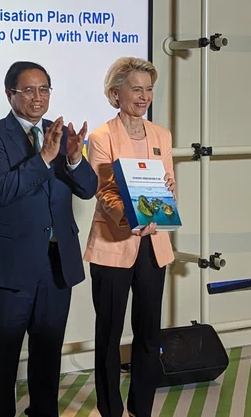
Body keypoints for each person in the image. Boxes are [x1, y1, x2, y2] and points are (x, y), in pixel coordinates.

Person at [0, 61, 98, 417]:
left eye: (44, 89)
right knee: (3, 355)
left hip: (56, 263)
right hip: (10, 264)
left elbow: (88, 190)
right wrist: (44, 157)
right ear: (10, 94)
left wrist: (73, 158)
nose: (38, 97)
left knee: (48, 352)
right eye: (28, 90)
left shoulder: (59, 133)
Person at [83, 57, 177, 417]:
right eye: (136, 88)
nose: (144, 96)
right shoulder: (101, 136)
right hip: (114, 245)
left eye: (149, 89)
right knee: (109, 335)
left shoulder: (161, 135)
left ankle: (142, 408)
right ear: (115, 93)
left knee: (149, 334)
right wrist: (132, 217)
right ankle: (110, 410)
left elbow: (166, 185)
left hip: (153, 246)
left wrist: (168, 193)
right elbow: (103, 192)